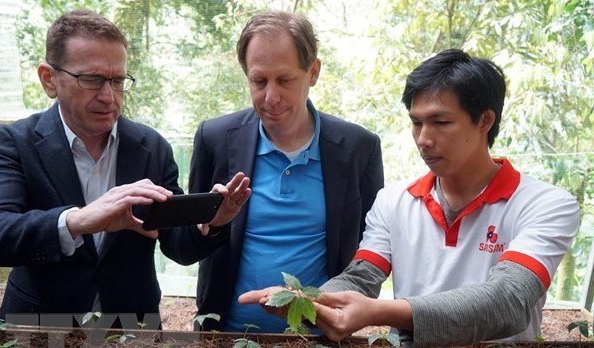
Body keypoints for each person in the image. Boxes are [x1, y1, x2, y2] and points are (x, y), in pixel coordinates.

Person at [240, 48, 580, 346]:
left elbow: (508, 301)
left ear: (485, 121)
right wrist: (308, 299)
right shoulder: (394, 202)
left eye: (440, 122)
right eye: (416, 123)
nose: (424, 139)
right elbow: (361, 278)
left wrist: (381, 311)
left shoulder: (544, 205)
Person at [0, 9, 250, 329]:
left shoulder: (151, 147)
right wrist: (76, 221)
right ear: (49, 79)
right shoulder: (15, 142)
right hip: (39, 324)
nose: (109, 96)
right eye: (92, 79)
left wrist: (211, 223)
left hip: (131, 326)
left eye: (118, 80)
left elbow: (177, 246)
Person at [183, 10, 384, 332]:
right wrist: (213, 224)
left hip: (322, 336)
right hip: (228, 333)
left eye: (285, 80)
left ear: (313, 72)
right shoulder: (216, 139)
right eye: (258, 81)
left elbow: (372, 250)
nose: (271, 97)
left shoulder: (358, 148)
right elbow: (183, 247)